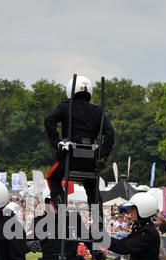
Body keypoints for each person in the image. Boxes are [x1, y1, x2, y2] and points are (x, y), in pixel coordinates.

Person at [44, 75, 114, 212]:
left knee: (51, 177)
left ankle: (60, 204)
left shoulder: (66, 108)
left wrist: (57, 142)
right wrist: (103, 156)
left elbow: (49, 119)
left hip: (71, 158)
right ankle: (97, 214)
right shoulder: (98, 111)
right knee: (91, 183)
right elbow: (110, 132)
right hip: (91, 161)